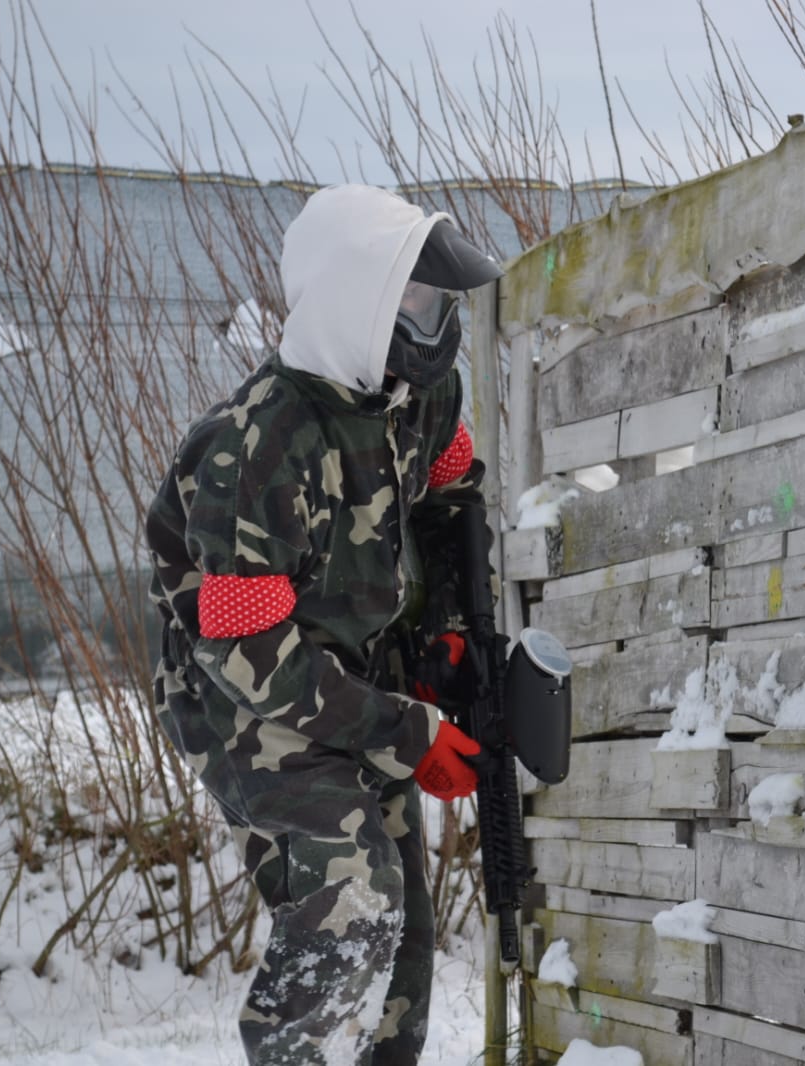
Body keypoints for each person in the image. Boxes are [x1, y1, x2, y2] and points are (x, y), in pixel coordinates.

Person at [145, 183, 503, 1065]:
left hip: (358, 674)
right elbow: (250, 656)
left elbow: (448, 502)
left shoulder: (422, 397)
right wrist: (407, 729)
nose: (434, 321)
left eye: (439, 300)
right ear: (359, 301)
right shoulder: (254, 447)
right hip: (240, 702)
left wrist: (443, 637)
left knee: (406, 938)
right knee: (354, 897)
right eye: (415, 300)